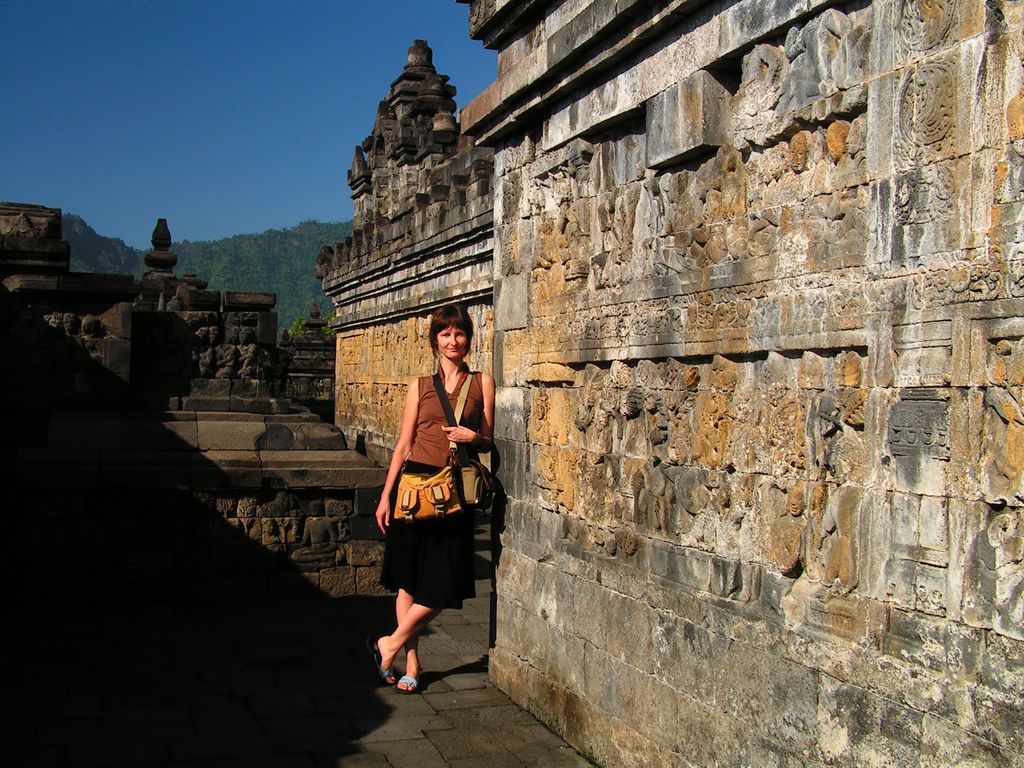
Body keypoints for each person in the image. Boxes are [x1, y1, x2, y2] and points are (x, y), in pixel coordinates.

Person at [369, 303, 495, 693]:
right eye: (445, 334)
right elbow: (404, 444)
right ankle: (412, 662)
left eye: (458, 333)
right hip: (413, 489)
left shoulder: (482, 382)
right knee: (409, 582)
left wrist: (473, 438)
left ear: (468, 339)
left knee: (444, 584)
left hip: (454, 493)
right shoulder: (419, 386)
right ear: (435, 340)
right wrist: (385, 496)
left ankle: (387, 643)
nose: (452, 340)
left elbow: (489, 438)